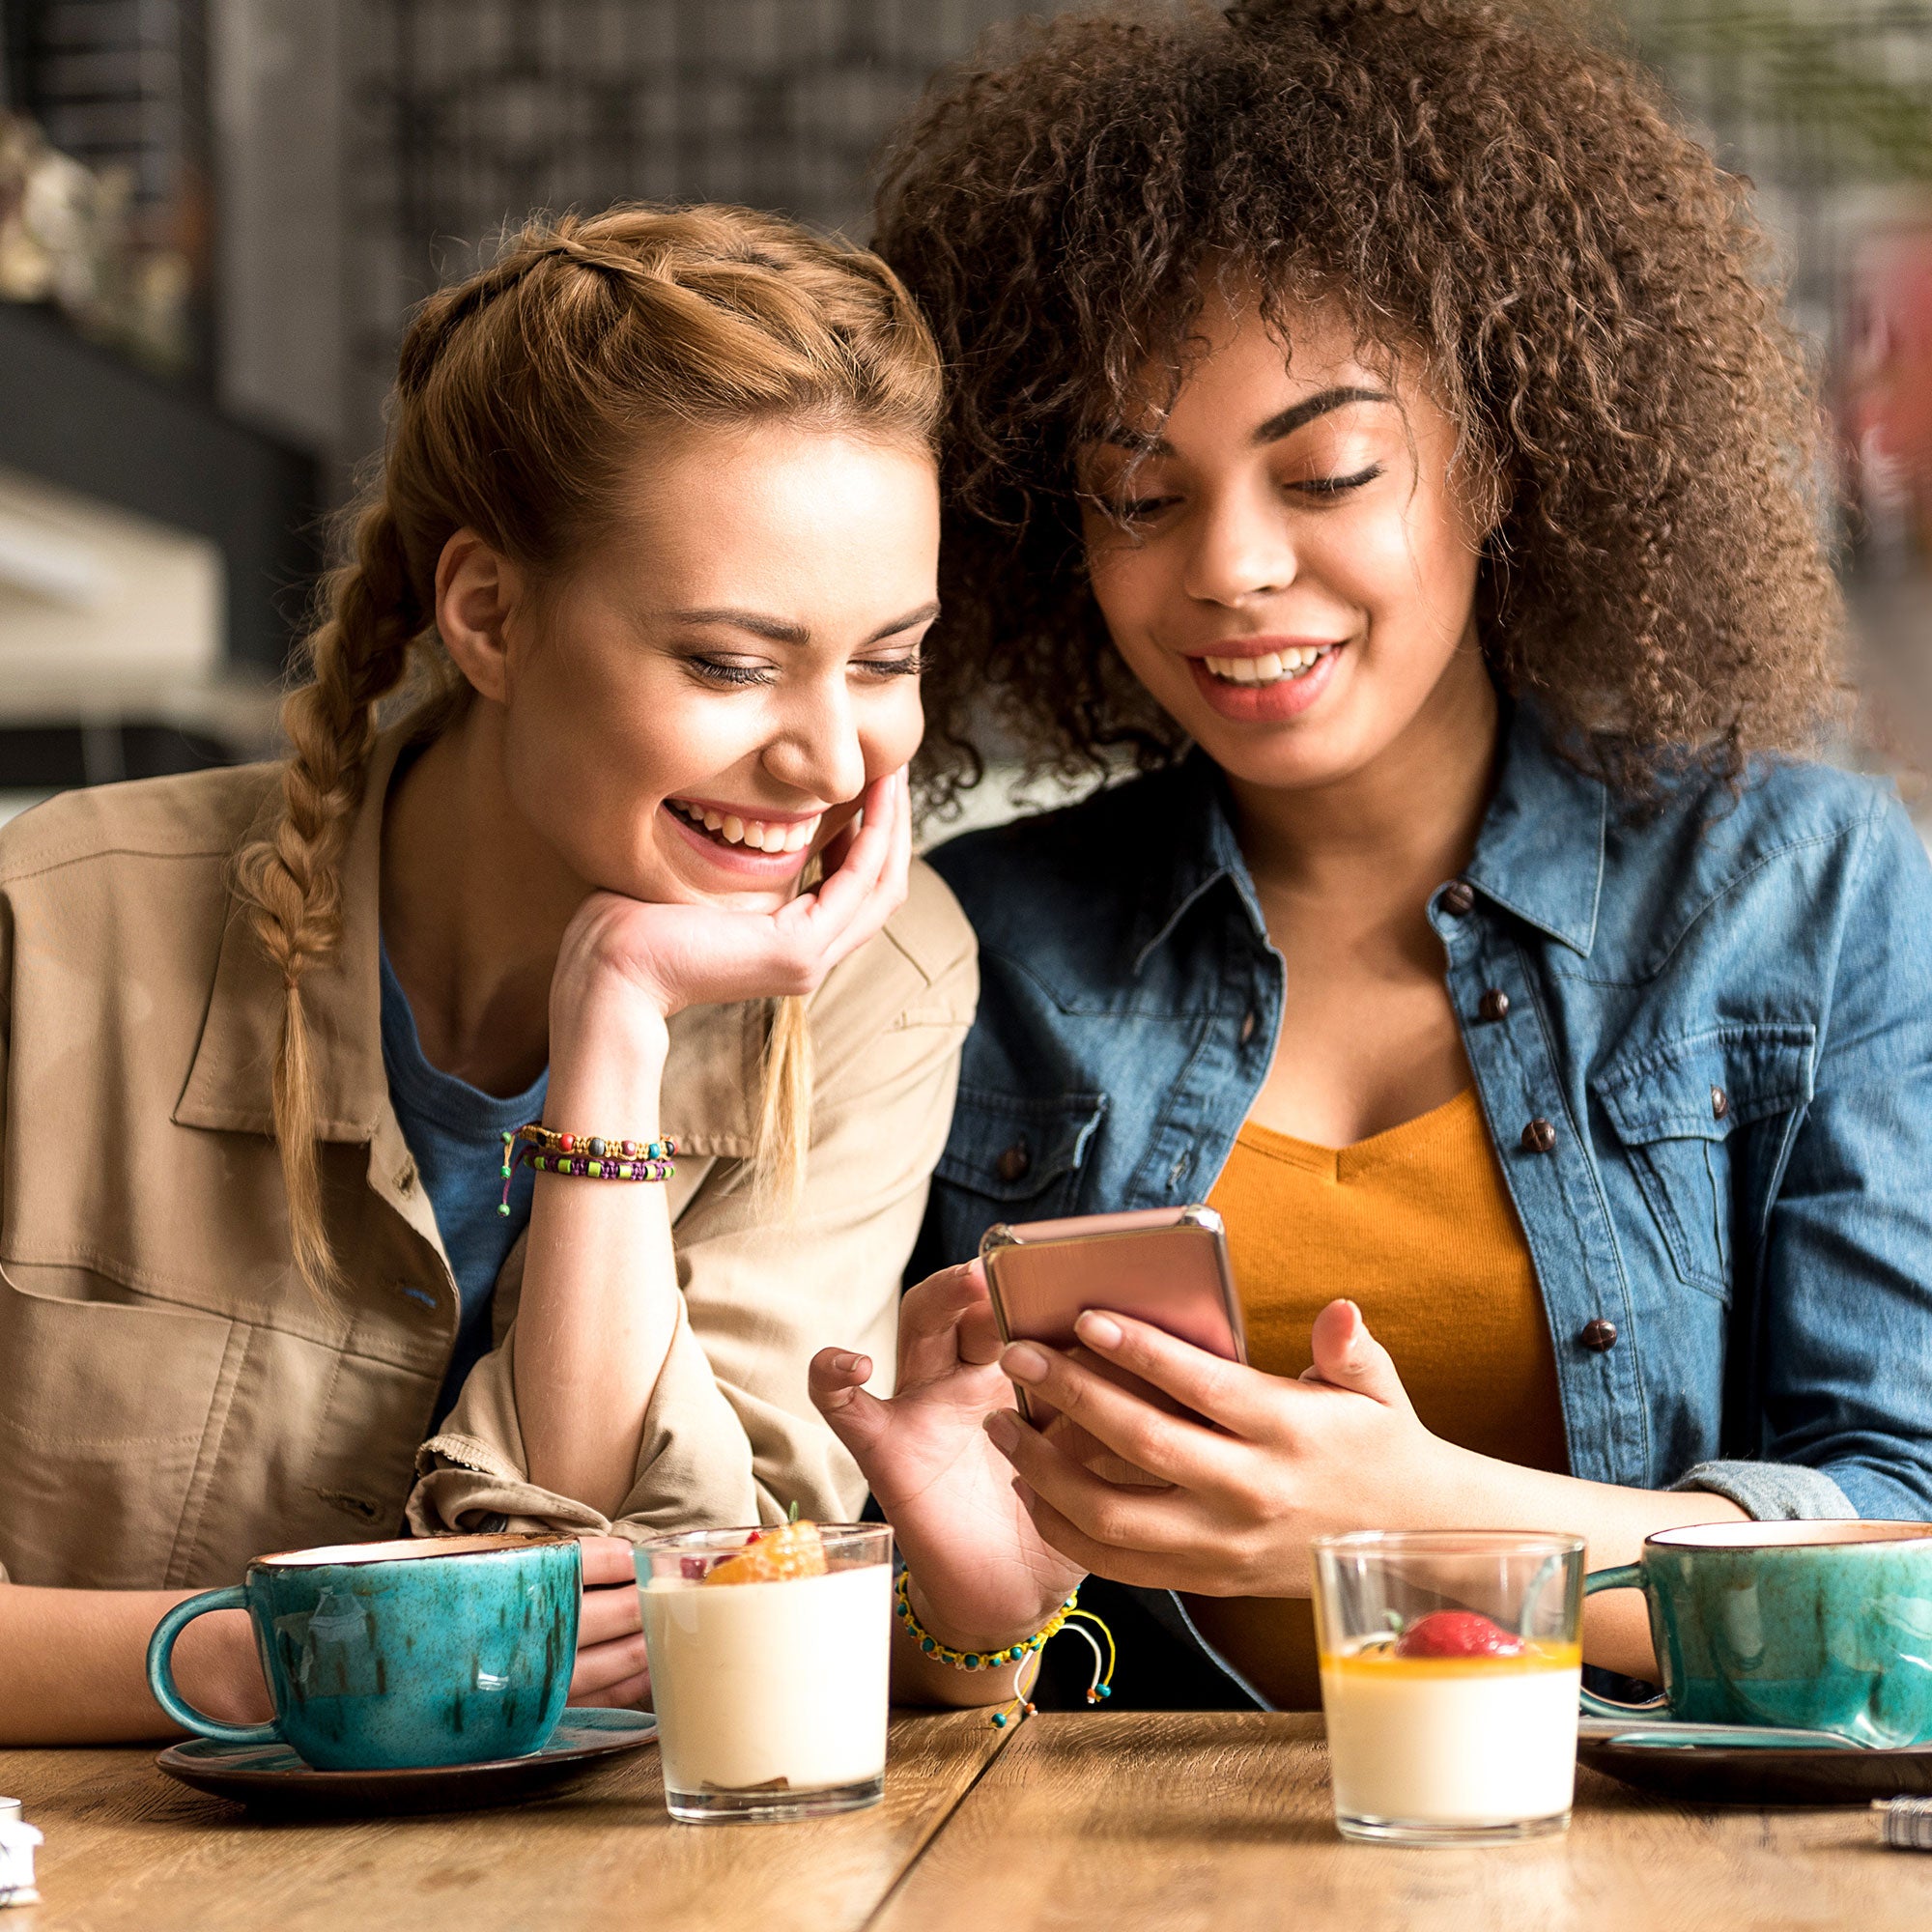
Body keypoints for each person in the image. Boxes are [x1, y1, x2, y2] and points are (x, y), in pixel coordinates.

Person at [812, 0, 1932, 1715]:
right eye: (1140, 494)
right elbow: (912, 1651)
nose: (1232, 568)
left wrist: (1432, 1524)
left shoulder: (1803, 892)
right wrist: (970, 1611)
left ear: (1506, 453)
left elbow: (1909, 1562)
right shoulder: (984, 957)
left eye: (1326, 470)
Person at [0, 205, 976, 1742]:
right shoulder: (51, 929)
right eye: (729, 663)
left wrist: (618, 1011)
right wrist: (255, 1663)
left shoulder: (881, 976)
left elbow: (644, 1607)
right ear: (490, 616)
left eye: (887, 658)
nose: (831, 757)